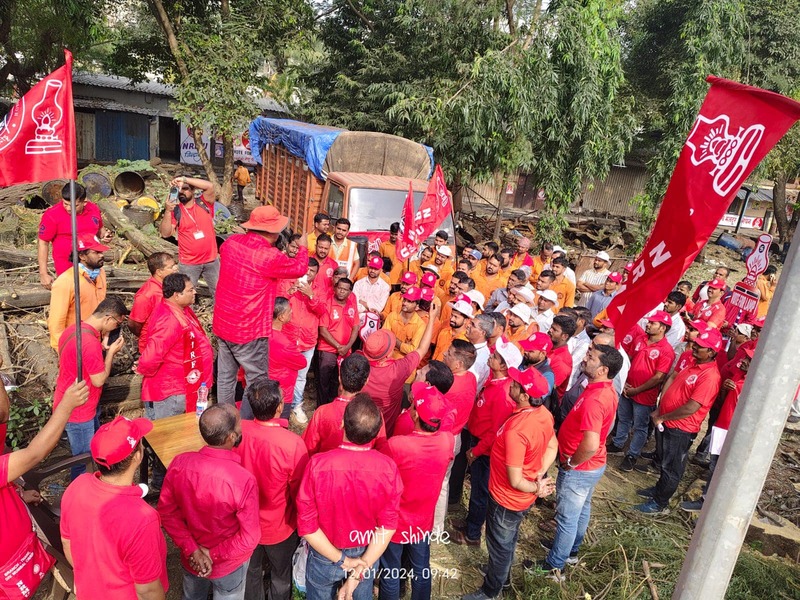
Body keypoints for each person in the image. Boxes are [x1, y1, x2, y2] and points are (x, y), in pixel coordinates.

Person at [462, 368, 557, 600]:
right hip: (519, 498)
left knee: (499, 545)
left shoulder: (517, 430)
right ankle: (500, 574)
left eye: (515, 385)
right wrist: (539, 473)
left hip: (506, 498)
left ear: (525, 396)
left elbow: (515, 480)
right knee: (507, 540)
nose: (510, 385)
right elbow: (553, 445)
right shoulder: (543, 413)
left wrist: (537, 486)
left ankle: (491, 590)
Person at [297, 396, 402, 600]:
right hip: (367, 552)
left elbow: (307, 527)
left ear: (342, 423)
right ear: (376, 431)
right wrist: (359, 568)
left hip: (324, 553)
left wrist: (343, 560)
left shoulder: (317, 465)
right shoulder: (388, 469)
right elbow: (388, 526)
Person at [535, 344, 623, 578]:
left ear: (603, 369)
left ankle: (555, 566)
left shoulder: (597, 399)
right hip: (590, 467)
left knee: (566, 518)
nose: (584, 359)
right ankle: (570, 551)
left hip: (580, 469)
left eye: (590, 357)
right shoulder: (602, 388)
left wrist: (572, 463)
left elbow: (591, 443)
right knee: (581, 510)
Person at [61, 416, 169, 600]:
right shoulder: (142, 518)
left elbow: (67, 542)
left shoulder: (77, 486)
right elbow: (148, 591)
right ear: (137, 456)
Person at [159, 405, 260, 600]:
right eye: (239, 424)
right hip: (228, 565)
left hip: (192, 559)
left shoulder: (179, 463)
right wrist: (211, 554)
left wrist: (194, 550)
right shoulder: (243, 480)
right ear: (231, 436)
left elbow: (167, 512)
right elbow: (250, 538)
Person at [1, 380, 88, 599]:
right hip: (7, 569)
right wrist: (66, 407)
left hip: (23, 552)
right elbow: (34, 454)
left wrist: (18, 497)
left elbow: (2, 414)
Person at [213, 206, 307, 406]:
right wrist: (304, 248)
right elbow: (299, 268)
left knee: (226, 377)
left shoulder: (230, 243)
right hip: (249, 331)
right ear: (273, 231)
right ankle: (248, 424)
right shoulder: (269, 256)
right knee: (257, 382)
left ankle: (225, 418)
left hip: (223, 324)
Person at [235, 378, 309, 600]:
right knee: (281, 574)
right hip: (280, 526)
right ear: (279, 407)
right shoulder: (292, 444)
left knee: (251, 572)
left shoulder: (237, 433)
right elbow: (300, 492)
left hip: (244, 523)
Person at [380, 383, 455, 600]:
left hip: (396, 521)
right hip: (423, 519)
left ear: (414, 414)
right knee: (421, 567)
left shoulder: (398, 445)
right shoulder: (447, 441)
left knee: (391, 571)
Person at [635, 329, 722, 514]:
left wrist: (663, 416)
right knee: (665, 461)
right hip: (667, 421)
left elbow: (691, 407)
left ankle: (660, 503)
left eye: (701, 347)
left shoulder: (710, 377)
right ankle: (658, 490)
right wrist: (660, 408)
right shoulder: (692, 362)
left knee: (672, 467)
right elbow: (673, 383)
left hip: (681, 428)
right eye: (696, 344)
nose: (695, 347)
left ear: (712, 352)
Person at [454, 338, 523, 546]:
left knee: (480, 492)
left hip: (484, 449)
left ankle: (473, 534)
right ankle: (470, 522)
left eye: (495, 357)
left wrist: (476, 451)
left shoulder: (504, 394)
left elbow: (495, 431)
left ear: (503, 365)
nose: (490, 357)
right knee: (476, 488)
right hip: (478, 441)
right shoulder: (494, 381)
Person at [55, 297, 127, 479]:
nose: (115, 328)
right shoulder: (89, 343)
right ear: (108, 319)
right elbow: (98, 380)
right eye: (117, 324)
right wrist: (110, 353)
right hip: (80, 410)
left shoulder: (74, 329)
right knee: (83, 461)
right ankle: (79, 497)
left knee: (91, 453)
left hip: (75, 399)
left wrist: (101, 346)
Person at [139, 273, 214, 418]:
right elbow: (150, 358)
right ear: (176, 295)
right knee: (168, 435)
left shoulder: (179, 308)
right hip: (174, 390)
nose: (195, 292)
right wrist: (142, 367)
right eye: (190, 290)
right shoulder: (169, 321)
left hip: (187, 383)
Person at [608, 311, 675, 472]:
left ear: (663, 328)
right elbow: (629, 361)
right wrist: (625, 384)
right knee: (623, 418)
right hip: (628, 389)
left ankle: (632, 454)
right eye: (649, 322)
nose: (648, 324)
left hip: (644, 396)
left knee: (640, 427)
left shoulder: (666, 350)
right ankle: (618, 444)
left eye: (653, 323)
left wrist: (636, 390)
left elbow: (658, 377)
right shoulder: (640, 339)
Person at [363, 300, 440, 434]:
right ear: (388, 355)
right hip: (384, 431)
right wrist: (432, 319)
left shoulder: (358, 366)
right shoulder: (398, 370)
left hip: (360, 424)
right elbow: (422, 349)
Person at [239, 297, 307, 421]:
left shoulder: (257, 333)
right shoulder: (284, 343)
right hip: (279, 392)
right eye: (289, 311)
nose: (291, 312)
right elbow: (302, 362)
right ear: (281, 317)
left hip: (257, 388)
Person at [304, 354, 387, 454]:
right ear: (366, 382)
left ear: (340, 379)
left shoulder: (322, 412)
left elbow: (308, 448)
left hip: (325, 466)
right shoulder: (373, 415)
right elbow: (381, 449)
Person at [279, 258, 325, 423]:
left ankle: (296, 405)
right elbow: (277, 303)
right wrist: (291, 291)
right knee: (281, 373)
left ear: (316, 274)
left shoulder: (320, 289)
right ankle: (278, 404)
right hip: (287, 338)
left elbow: (322, 311)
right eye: (306, 269)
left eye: (312, 271)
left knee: (300, 376)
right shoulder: (288, 282)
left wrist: (311, 295)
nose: (308, 273)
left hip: (307, 340)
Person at [37, 182, 107, 288]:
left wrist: (105, 235)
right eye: (65, 204)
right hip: (66, 266)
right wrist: (43, 273)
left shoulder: (93, 209)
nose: (69, 208)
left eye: (74, 205)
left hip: (92, 263)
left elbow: (100, 230)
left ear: (84, 202)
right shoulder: (52, 215)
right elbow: (43, 242)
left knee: (93, 295)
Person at [160, 176, 220, 298]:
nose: (181, 192)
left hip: (212, 260)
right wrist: (167, 211)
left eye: (185, 189)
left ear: (193, 190)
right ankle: (186, 317)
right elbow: (165, 233)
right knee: (186, 296)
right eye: (178, 189)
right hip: (189, 263)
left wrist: (184, 179)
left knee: (219, 293)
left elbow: (210, 186)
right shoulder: (175, 211)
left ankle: (220, 316)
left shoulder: (204, 203)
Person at [48, 233, 109, 349]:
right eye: (96, 252)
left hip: (97, 341)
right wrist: (63, 351)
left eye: (101, 252)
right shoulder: (66, 281)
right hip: (76, 343)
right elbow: (56, 325)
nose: (101, 255)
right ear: (82, 256)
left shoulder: (101, 273)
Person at [316, 277, 360, 406]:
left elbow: (356, 327)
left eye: (345, 290)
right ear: (335, 288)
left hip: (345, 351)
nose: (341, 291)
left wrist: (348, 347)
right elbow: (323, 330)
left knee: (339, 381)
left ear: (350, 292)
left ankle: (333, 407)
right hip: (327, 349)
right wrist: (338, 346)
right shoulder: (327, 304)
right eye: (339, 288)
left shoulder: (352, 306)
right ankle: (321, 408)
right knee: (324, 381)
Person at [128, 252, 179, 353]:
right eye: (171, 267)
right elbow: (134, 324)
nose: (175, 269)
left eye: (175, 265)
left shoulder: (169, 287)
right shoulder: (147, 294)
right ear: (159, 272)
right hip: (152, 347)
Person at [432, 296, 472, 361]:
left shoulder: (466, 341)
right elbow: (436, 353)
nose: (452, 319)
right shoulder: (444, 332)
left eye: (456, 317)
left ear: (466, 320)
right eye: (452, 315)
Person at [548, 314, 576, 406]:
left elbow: (546, 389)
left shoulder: (563, 361)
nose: (550, 331)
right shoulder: (549, 346)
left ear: (564, 336)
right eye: (551, 327)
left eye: (555, 330)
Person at [466, 313, 493, 391]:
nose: (468, 325)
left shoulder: (481, 359)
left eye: (473, 325)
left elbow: (467, 385)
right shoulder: (471, 347)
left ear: (482, 333)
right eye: (470, 323)